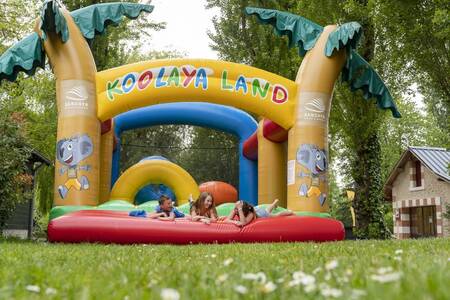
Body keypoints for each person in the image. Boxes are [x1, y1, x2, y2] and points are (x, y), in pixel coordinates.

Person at [224, 199, 294, 226]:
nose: (235, 209)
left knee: (275, 215)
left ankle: (289, 212)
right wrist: (235, 222)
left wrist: (239, 209)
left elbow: (243, 223)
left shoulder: (250, 214)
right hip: (257, 210)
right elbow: (226, 220)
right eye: (236, 206)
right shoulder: (236, 209)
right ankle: (275, 202)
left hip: (261, 213)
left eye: (238, 207)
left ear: (242, 210)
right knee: (267, 209)